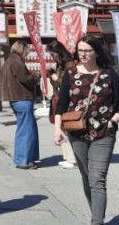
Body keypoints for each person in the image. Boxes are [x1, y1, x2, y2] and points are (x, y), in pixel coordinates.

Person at [53, 35, 119, 225]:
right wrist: (57, 130)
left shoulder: (109, 74)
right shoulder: (70, 74)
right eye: (80, 50)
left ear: (97, 52)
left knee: (97, 179)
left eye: (88, 50)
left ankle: (97, 221)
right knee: (87, 177)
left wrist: (113, 122)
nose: (83, 54)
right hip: (77, 132)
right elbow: (61, 105)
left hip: (104, 133)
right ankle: (95, 213)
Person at [1, 41, 39, 169]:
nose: (27, 55)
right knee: (26, 130)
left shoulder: (9, 61)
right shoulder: (17, 63)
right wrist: (36, 76)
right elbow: (26, 79)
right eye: (26, 52)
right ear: (22, 50)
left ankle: (27, 158)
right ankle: (24, 160)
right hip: (22, 98)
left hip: (16, 99)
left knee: (26, 129)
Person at [46, 40, 78, 169]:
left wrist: (56, 78)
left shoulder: (69, 64)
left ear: (59, 52)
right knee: (63, 127)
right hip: (63, 97)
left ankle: (72, 158)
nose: (52, 57)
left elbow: (68, 83)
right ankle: (67, 157)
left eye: (53, 54)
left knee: (67, 127)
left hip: (68, 99)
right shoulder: (62, 63)